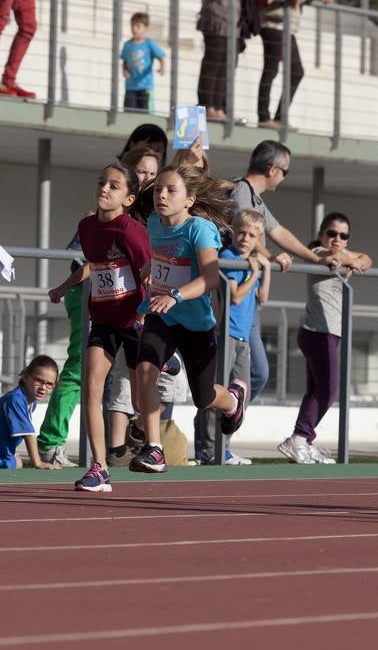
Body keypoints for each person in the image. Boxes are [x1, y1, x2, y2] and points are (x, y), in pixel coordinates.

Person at [131, 165, 247, 473]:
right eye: (158, 190)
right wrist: (149, 272)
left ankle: (233, 400)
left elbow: (210, 278)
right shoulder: (154, 221)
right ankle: (154, 449)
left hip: (194, 322)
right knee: (145, 369)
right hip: (160, 315)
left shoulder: (199, 229)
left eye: (171, 191)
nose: (161, 196)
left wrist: (177, 295)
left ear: (190, 200)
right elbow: (161, 258)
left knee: (203, 396)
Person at [48, 162, 150, 493]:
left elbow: (148, 273)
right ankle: (99, 466)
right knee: (92, 386)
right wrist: (65, 286)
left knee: (138, 398)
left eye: (114, 186)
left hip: (134, 320)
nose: (104, 189)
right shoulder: (87, 226)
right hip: (104, 319)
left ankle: (140, 427)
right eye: (101, 182)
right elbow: (94, 264)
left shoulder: (132, 231)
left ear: (129, 198)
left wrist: (148, 314)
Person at [232, 140, 340, 403]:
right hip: (236, 298)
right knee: (249, 374)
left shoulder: (253, 197)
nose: (283, 177)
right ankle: (217, 435)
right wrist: (270, 256)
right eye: (285, 171)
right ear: (272, 169)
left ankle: (225, 430)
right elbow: (245, 230)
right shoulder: (240, 191)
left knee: (252, 374)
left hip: (249, 297)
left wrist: (316, 258)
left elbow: (278, 232)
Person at [278, 212, 371, 463]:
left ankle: (303, 442)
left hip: (330, 332)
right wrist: (351, 260)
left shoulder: (343, 255)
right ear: (321, 235)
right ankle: (299, 437)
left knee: (315, 391)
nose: (337, 239)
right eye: (331, 233)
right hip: (319, 332)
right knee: (330, 390)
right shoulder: (318, 252)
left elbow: (368, 259)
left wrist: (356, 260)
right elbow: (333, 258)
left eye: (343, 235)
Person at [197, 209, 269, 465]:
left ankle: (224, 446)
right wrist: (254, 274)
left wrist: (265, 268)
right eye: (241, 232)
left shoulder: (249, 261)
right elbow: (235, 295)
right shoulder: (228, 258)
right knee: (217, 392)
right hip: (224, 334)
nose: (245, 238)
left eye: (252, 235)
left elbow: (263, 297)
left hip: (242, 337)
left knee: (241, 393)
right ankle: (208, 449)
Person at [248, 0, 301, 128]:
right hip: (265, 16)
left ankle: (279, 117)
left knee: (296, 70)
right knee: (271, 66)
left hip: (282, 20)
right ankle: (264, 117)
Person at [0, 355, 60, 469]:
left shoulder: (31, 403)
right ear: (26, 377)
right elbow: (29, 434)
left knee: (17, 461)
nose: (43, 387)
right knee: (17, 463)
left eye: (49, 384)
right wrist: (38, 463)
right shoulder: (16, 399)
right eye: (38, 380)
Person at [121, 11, 166, 113]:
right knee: (129, 113)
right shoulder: (127, 45)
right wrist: (124, 70)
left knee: (145, 114)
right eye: (132, 26)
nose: (134, 29)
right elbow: (124, 61)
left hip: (145, 87)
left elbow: (161, 56)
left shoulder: (149, 44)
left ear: (146, 28)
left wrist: (162, 67)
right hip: (130, 87)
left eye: (138, 26)